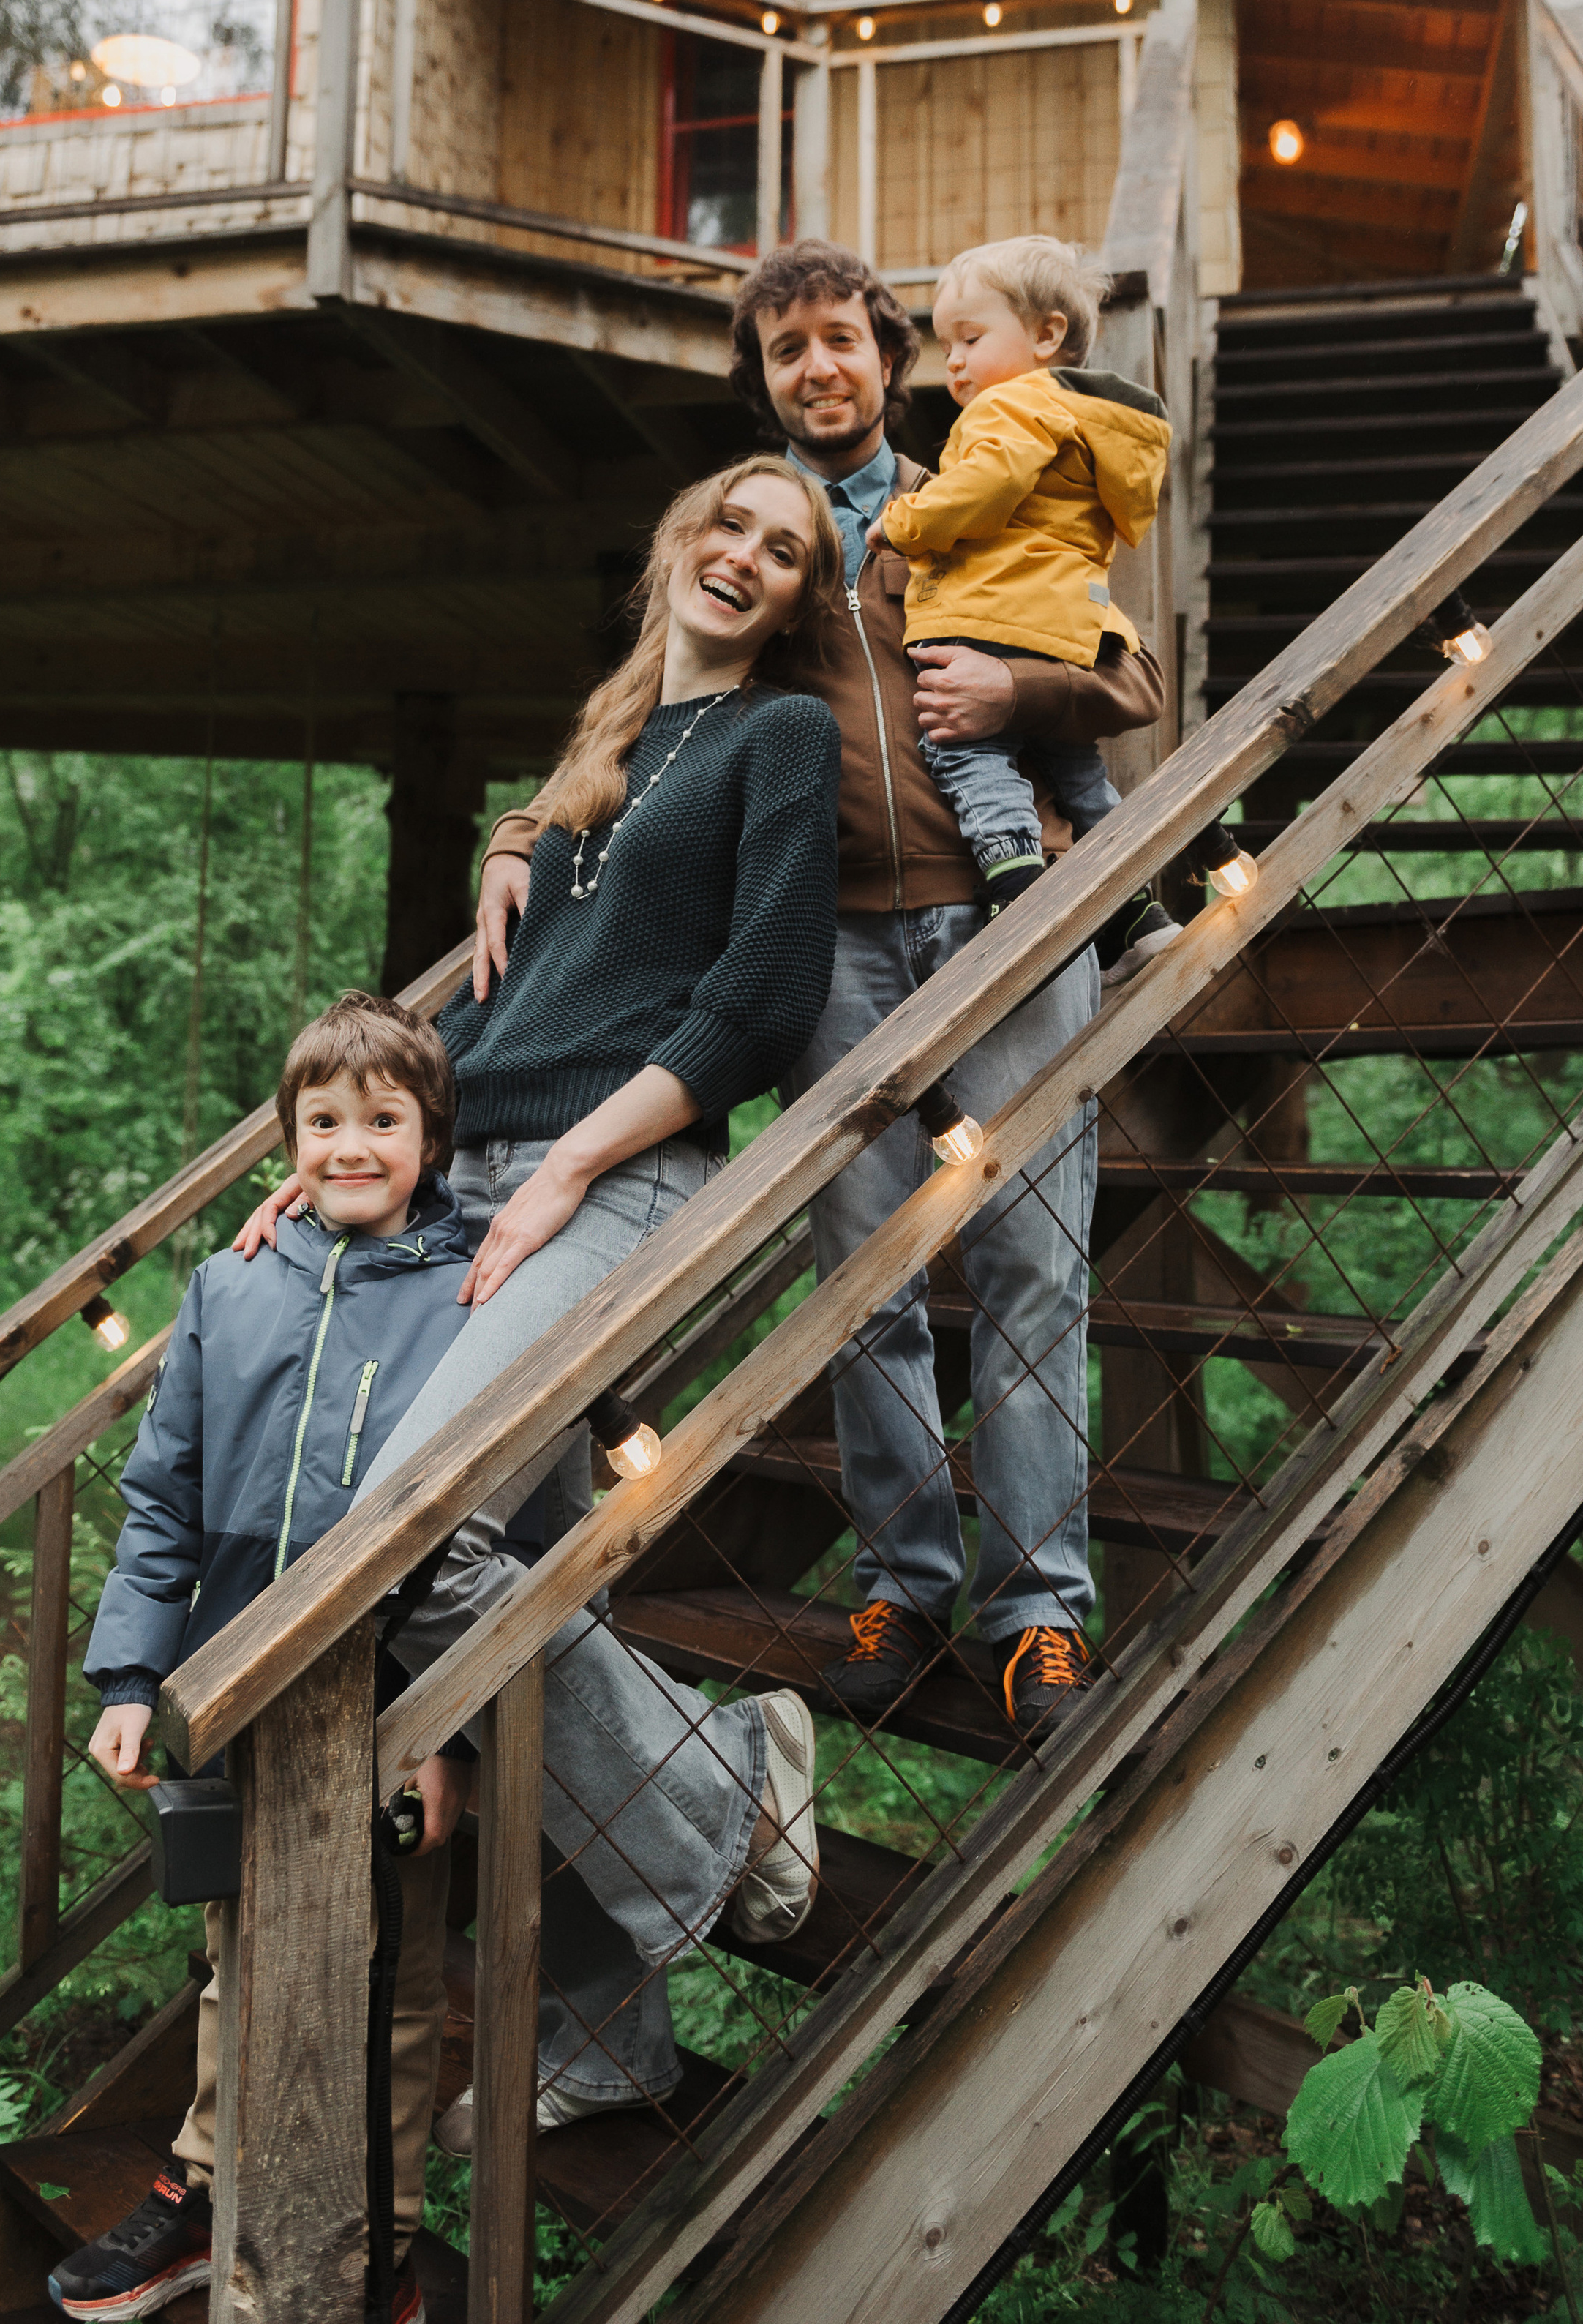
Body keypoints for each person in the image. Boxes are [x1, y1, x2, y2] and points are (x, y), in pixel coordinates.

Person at [238, 454, 846, 2145]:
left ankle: (722, 1795)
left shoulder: (780, 739)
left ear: (799, 597)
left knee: (406, 1539)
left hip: (610, 1178)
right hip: (466, 1174)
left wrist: (576, 1163)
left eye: (784, 550)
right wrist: (366, 1156)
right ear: (674, 543)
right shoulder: (601, 747)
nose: (746, 554)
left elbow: (761, 994)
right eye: (726, 522)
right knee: (510, 1567)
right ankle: (608, 2030)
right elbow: (512, 1003)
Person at [479, 242, 1165, 1736]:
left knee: (1033, 1269)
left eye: (840, 341)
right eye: (786, 351)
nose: (818, 369)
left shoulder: (984, 486)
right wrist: (523, 828)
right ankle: (904, 1584)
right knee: (863, 1286)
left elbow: (1129, 682)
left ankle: (1037, 1607)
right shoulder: (763, 539)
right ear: (765, 379)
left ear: (888, 354)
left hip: (1007, 929)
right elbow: (649, 700)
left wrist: (1012, 692)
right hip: (834, 945)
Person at [50, 992, 479, 2324]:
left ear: (431, 1132)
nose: (352, 1145)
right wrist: (130, 1679)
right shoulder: (229, 1285)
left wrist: (451, 1730)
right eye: (324, 1121)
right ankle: (200, 2191)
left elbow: (502, 1525)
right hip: (240, 1688)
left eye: (384, 1120)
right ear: (287, 1136)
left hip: (396, 1696)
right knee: (240, 1954)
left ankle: (386, 2248)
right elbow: (165, 1500)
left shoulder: (479, 1297)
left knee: (395, 1981)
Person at [871, 233, 1180, 985]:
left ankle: (1016, 888)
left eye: (970, 338)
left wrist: (905, 521)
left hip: (992, 619)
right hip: (1060, 627)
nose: (952, 361)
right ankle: (1136, 913)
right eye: (945, 344)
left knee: (962, 746)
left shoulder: (1010, 408)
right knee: (1073, 768)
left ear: (1046, 335)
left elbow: (982, 490)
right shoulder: (1086, 422)